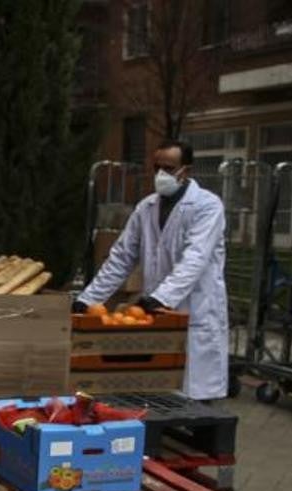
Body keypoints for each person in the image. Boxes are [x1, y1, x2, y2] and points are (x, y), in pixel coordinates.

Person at [75, 139, 228, 400]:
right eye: (157, 166)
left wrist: (161, 298)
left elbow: (195, 258)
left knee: (196, 392)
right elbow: (121, 258)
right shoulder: (146, 208)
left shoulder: (207, 206)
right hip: (153, 311)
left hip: (195, 308)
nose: (161, 174)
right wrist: (88, 299)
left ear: (186, 171)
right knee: (159, 385)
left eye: (169, 168)